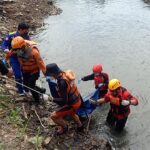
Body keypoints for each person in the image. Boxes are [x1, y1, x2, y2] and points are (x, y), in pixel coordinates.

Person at [46, 63, 83, 135]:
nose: (50, 76)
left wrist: (50, 99)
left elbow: (64, 100)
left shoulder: (61, 83)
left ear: (53, 74)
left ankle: (65, 127)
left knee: (53, 116)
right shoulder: (64, 74)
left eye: (50, 75)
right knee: (72, 113)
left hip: (72, 104)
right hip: (77, 100)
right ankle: (80, 126)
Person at [11, 36, 46, 105]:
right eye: (15, 50)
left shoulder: (34, 52)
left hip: (34, 71)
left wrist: (46, 75)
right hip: (25, 70)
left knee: (30, 86)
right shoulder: (16, 49)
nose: (15, 52)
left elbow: (41, 63)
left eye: (17, 50)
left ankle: (37, 100)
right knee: (26, 84)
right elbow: (10, 54)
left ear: (23, 47)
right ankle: (41, 90)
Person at [1, 22, 30, 95]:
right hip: (14, 58)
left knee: (26, 74)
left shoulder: (26, 36)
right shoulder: (11, 35)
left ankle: (27, 89)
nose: (27, 31)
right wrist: (5, 49)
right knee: (17, 74)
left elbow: (29, 45)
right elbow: (3, 44)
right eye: (25, 30)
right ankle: (20, 91)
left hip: (24, 57)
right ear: (20, 29)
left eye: (27, 30)